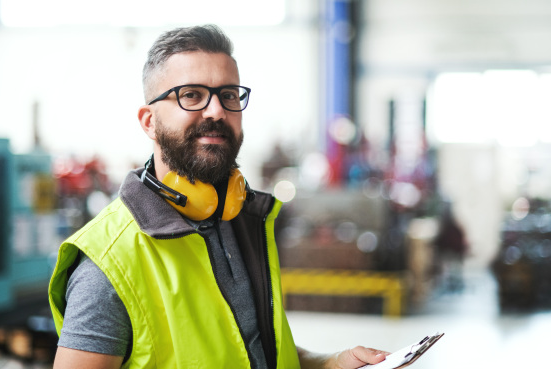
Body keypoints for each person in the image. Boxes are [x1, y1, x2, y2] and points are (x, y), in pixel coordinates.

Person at [48, 24, 389, 369]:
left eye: (228, 95)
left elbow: (251, 349)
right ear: (149, 121)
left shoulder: (241, 220)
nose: (216, 111)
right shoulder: (110, 264)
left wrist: (329, 363)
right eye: (191, 95)